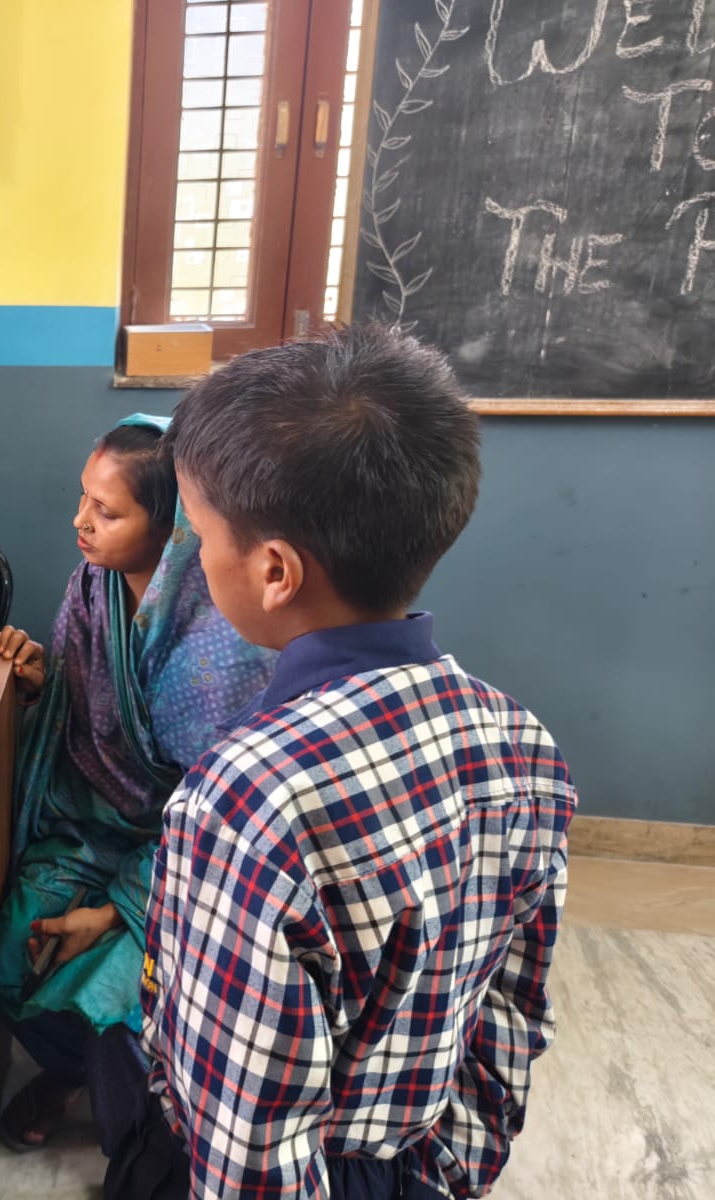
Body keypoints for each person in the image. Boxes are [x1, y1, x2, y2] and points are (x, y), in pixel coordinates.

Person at [98, 325, 576, 1199]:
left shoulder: (243, 800)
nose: (189, 557)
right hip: (420, 1166)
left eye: (196, 535)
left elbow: (245, 1140)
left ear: (275, 571)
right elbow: (511, 1012)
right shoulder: (524, 744)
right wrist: (450, 1174)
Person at [0, 416, 274, 1151]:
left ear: (174, 526)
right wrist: (43, 680)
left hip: (182, 855)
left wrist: (119, 910)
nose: (80, 522)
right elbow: (90, 709)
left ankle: (141, 1136)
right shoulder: (95, 584)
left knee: (117, 994)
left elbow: (217, 809)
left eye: (106, 511)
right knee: (9, 939)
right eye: (82, 498)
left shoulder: (222, 642)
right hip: (88, 820)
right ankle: (68, 1071)